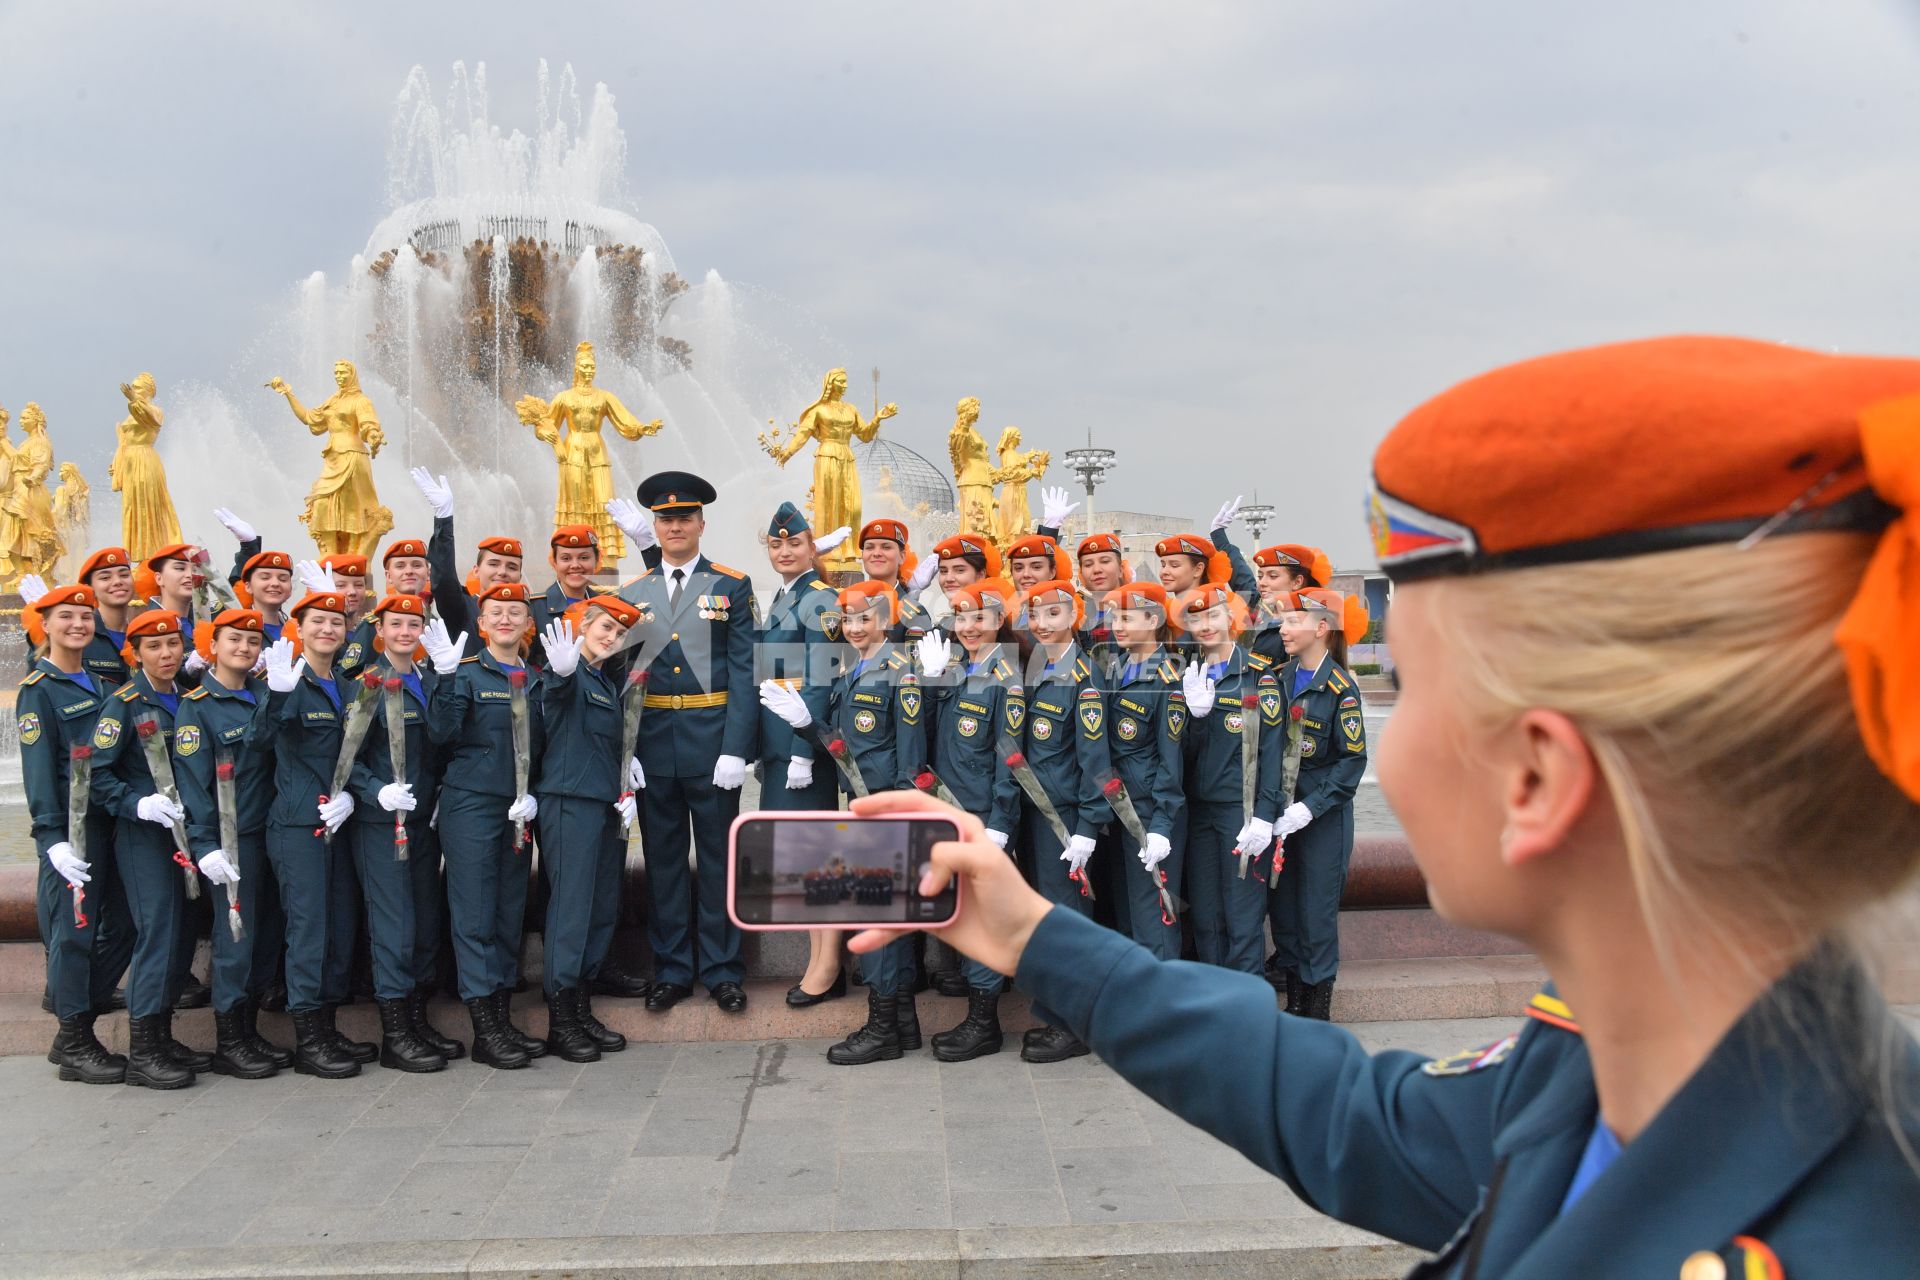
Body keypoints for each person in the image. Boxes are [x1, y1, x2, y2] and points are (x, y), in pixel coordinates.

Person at [854, 336, 1920, 1275]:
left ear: (1537, 778)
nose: (1386, 736)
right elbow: (1345, 1117)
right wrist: (1032, 932)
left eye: (1406, 683)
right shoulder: (1619, 1053)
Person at [760, 580, 927, 1064]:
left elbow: (911, 761)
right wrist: (805, 726)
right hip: (860, 802)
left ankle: (882, 1029)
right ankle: (902, 1024)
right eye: (848, 620)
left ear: (885, 618)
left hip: (885, 810)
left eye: (863, 618)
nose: (854, 628)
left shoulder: (902, 674)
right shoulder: (855, 670)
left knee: (881, 919)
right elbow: (843, 747)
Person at [616, 471, 757, 1015]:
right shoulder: (634, 592)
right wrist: (626, 751)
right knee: (664, 861)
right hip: (654, 746)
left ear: (701, 523)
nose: (675, 526)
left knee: (721, 860)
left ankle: (723, 970)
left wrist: (735, 748)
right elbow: (625, 677)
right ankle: (672, 969)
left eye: (684, 518)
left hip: (711, 742)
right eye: (665, 519)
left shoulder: (730, 584)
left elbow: (745, 671)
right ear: (655, 526)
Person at [422, 583, 546, 1068]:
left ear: (527, 623)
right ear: (481, 622)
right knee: (474, 915)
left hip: (518, 809)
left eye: (516, 612)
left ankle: (501, 1014)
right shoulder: (468, 674)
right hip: (472, 805)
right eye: (496, 612)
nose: (506, 619)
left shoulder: (535, 677)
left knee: (506, 913)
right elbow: (441, 733)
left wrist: (532, 792)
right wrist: (447, 678)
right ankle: (486, 1029)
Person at [254, 590, 375, 1078]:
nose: (328, 628)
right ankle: (308, 1038)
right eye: (317, 621)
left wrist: (352, 793)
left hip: (339, 821)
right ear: (297, 628)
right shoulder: (285, 679)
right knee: (308, 930)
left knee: (338, 926)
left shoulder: (344, 685)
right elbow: (258, 741)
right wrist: (278, 696)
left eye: (335, 621)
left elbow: (351, 755)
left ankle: (325, 1024)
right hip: (298, 823)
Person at [19, 584, 132, 1083]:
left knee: (126, 925)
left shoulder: (101, 685)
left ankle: (76, 1025)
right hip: (72, 833)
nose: (78, 625)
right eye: (66, 617)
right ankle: (75, 1037)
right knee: (75, 935)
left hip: (110, 823)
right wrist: (51, 838)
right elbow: (38, 769)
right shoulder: (38, 691)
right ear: (45, 624)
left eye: (85, 617)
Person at [88, 609, 205, 1088]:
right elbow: (95, 773)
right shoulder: (125, 703)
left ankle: (161, 1035)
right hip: (144, 838)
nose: (166, 654)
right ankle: (142, 1052)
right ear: (134, 654)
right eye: (154, 647)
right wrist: (137, 804)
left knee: (182, 934)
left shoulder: (185, 698)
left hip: (187, 834)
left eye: (173, 644)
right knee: (159, 930)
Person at [173, 607, 288, 1078]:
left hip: (270, 834)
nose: (244, 648)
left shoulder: (265, 692)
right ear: (212, 646)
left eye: (252, 641)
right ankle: (229, 1040)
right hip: (230, 840)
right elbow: (193, 782)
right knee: (234, 938)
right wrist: (205, 846)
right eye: (233, 640)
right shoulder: (197, 705)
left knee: (262, 937)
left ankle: (248, 1029)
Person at [532, 597, 645, 1062]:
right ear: (582, 625)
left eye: (619, 634)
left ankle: (580, 1007)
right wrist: (560, 674)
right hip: (568, 803)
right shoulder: (566, 670)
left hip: (602, 803)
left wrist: (625, 774)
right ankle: (561, 1018)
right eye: (604, 628)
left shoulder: (601, 677)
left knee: (601, 905)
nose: (611, 637)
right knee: (572, 911)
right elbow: (553, 705)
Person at [916, 579, 1024, 1061]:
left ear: (999, 621)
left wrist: (1001, 819)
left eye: (980, 617)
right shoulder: (958, 670)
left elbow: (1011, 755)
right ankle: (976, 1011)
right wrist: (932, 681)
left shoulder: (1008, 677)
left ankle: (985, 1022)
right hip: (948, 808)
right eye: (961, 618)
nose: (969, 627)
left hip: (982, 814)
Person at [344, 593, 451, 1073]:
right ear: (379, 630)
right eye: (397, 624)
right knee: (395, 926)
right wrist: (375, 791)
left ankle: (416, 1017)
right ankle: (395, 1033)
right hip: (383, 823)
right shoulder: (369, 684)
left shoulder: (427, 680)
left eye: (415, 623)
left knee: (425, 921)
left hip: (423, 820)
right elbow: (347, 757)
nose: (406, 632)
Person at [1008, 579, 1111, 1063]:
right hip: (1035, 812)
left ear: (1072, 617)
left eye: (1052, 614)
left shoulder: (1083, 678)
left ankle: (1076, 1026)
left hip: (1065, 819)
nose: (1041, 623)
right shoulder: (1036, 669)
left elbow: (1096, 762)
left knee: (1069, 920)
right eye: (1035, 615)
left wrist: (1088, 829)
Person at [753, 503, 848, 1009]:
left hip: (800, 751)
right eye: (776, 544)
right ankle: (819, 958)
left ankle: (828, 963)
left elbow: (821, 676)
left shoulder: (820, 597)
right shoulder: (787, 596)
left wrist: (801, 752)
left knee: (815, 857)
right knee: (799, 855)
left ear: (813, 547)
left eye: (794, 543)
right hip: (778, 750)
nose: (784, 551)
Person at [1263, 587, 1369, 1018]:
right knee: (1285, 911)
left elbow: (1352, 762)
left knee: (1316, 914)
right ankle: (1296, 1003)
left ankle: (1318, 1009)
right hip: (1280, 815)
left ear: (1321, 627)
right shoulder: (1279, 678)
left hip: (1321, 818)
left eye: (1292, 622)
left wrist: (1310, 807)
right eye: (1283, 621)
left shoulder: (1340, 688)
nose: (1283, 630)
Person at [1174, 585, 1285, 977]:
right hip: (1199, 813)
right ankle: (1219, 1006)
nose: (1205, 626)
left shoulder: (1259, 677)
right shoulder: (1187, 675)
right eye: (1197, 618)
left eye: (1214, 616)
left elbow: (1274, 753)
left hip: (1243, 813)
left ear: (1231, 619)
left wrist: (1266, 815)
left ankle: (1248, 1012)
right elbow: (1179, 754)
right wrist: (1196, 721)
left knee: (1242, 919)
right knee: (1205, 918)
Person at [1099, 582, 1188, 960]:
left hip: (1148, 812)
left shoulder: (1167, 680)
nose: (1117, 625)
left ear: (1153, 620)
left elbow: (1172, 759)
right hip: (1117, 809)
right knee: (1126, 915)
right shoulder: (1114, 670)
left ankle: (1164, 1011)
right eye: (1114, 617)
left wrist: (1162, 826)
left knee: (1155, 919)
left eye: (1126, 617)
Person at [213, 508, 296, 641]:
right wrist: (249, 546)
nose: (275, 583)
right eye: (265, 577)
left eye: (283, 578)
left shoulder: (300, 632)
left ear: (290, 588)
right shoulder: (234, 629)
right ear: (248, 586)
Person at [1244, 544, 1331, 667]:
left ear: (1297, 582)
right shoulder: (1266, 618)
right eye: (1260, 576)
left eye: (1272, 576)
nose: (1261, 583)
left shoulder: (1308, 629)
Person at [855, 517, 934, 642]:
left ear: (902, 557)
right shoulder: (852, 603)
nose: (876, 553)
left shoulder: (914, 613)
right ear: (862, 556)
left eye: (886, 547)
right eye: (869, 547)